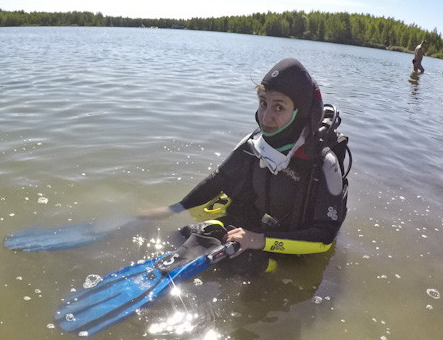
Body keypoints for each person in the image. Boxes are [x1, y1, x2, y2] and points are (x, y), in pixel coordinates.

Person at [140, 58, 348, 273]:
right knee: (188, 232)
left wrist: (260, 241)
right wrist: (173, 209)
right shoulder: (254, 144)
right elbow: (219, 179)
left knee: (239, 263)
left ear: (301, 112)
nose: (266, 117)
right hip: (256, 227)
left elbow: (324, 239)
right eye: (263, 102)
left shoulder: (323, 162)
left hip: (292, 246)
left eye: (279, 107)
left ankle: (274, 268)